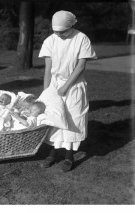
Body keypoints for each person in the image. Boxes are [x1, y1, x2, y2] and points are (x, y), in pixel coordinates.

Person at [38, 10, 97, 172]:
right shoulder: (50, 41)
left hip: (74, 86)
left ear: (71, 26)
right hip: (54, 85)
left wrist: (65, 87)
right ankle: (52, 152)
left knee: (72, 120)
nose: (58, 34)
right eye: (55, 31)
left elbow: (80, 66)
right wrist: (46, 92)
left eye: (62, 31)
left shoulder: (81, 39)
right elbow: (48, 68)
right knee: (54, 119)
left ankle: (69, 156)